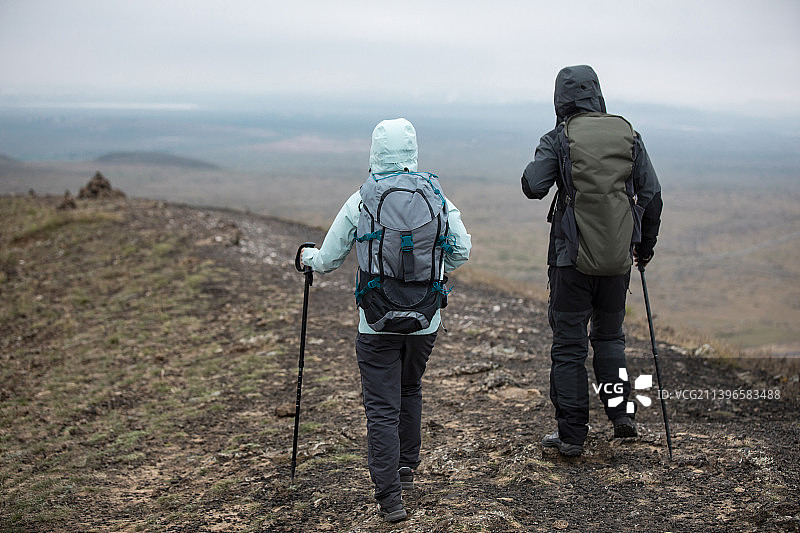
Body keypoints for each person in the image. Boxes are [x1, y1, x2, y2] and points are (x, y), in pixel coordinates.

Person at [301, 117, 471, 521]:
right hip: (425, 318)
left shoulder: (361, 199)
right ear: (413, 152)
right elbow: (462, 250)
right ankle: (406, 467)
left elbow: (327, 259)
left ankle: (390, 499)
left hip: (374, 320)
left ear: (374, 152)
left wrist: (305, 257)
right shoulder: (437, 196)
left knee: (381, 406)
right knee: (410, 387)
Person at [521, 65, 663, 456]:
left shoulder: (559, 138)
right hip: (617, 259)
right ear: (597, 94)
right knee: (609, 339)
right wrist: (642, 246)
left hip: (570, 260)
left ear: (559, 99)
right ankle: (622, 416)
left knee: (569, 347)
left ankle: (571, 437)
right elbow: (651, 193)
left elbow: (534, 186)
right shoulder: (628, 135)